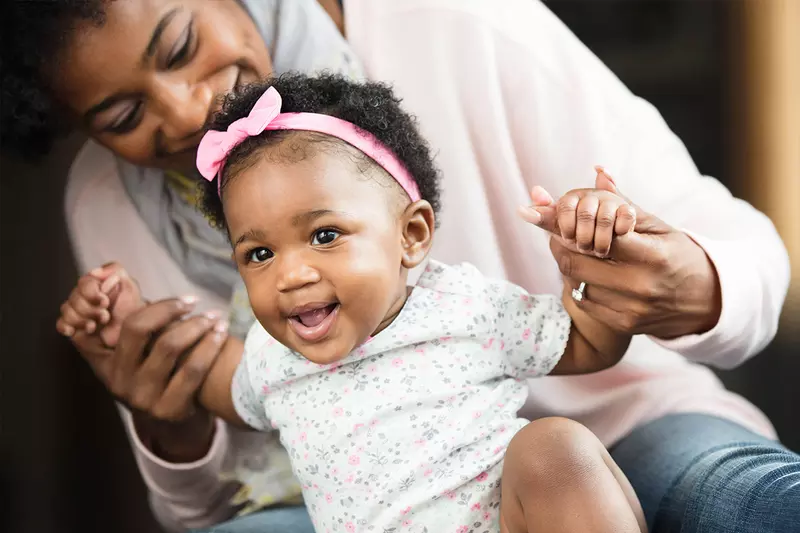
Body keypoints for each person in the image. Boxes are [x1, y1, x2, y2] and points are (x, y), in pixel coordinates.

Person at [2, 0, 797, 532]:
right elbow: (213, 453)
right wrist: (161, 416)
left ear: (415, 231)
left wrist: (647, 282)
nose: (182, 112)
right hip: (349, 506)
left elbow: (600, 331)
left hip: (615, 434)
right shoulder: (123, 218)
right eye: (122, 115)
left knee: (727, 496)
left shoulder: (458, 25)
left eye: (179, 45)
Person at [59, 72, 649, 533]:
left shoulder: (463, 306)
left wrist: (596, 261)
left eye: (324, 235)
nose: (290, 273)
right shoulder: (272, 358)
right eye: (258, 254)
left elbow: (588, 342)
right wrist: (127, 320)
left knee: (555, 448)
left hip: (513, 521)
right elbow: (209, 372)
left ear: (411, 236)